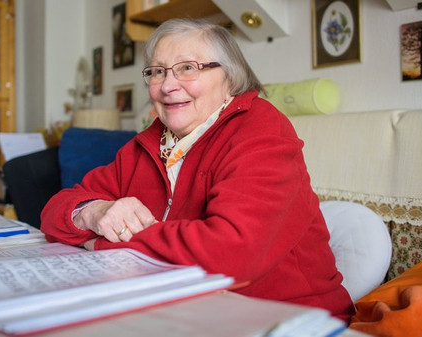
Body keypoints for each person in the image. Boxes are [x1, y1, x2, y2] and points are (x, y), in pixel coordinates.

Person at [41, 18, 354, 321]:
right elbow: (54, 212)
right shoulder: (146, 144)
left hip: (287, 319)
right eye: (157, 72)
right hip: (180, 313)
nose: (168, 85)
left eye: (188, 68)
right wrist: (93, 212)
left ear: (230, 79)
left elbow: (232, 253)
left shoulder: (262, 130)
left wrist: (103, 242)